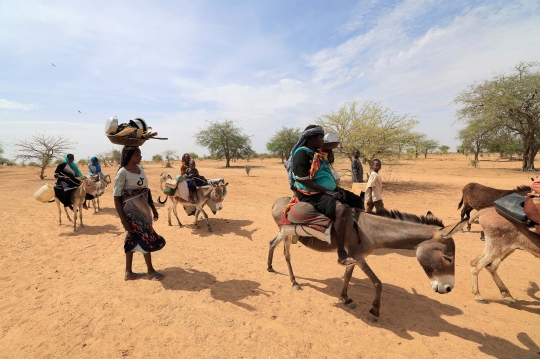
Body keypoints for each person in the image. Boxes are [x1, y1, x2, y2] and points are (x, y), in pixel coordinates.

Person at [289, 125, 362, 267]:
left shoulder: (317, 153)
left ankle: (354, 236)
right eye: (321, 138)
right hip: (310, 194)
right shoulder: (301, 154)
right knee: (340, 210)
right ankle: (341, 253)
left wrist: (335, 188)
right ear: (311, 138)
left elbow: (324, 172)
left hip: (326, 190)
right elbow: (301, 179)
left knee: (357, 200)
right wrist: (326, 191)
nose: (323, 140)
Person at [113, 146, 166, 281]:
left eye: (140, 153)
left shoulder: (140, 169)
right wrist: (123, 220)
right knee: (145, 234)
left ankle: (128, 272)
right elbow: (117, 197)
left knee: (132, 237)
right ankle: (150, 270)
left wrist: (153, 208)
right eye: (137, 154)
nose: (140, 156)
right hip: (131, 211)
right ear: (129, 155)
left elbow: (145, 190)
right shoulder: (122, 173)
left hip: (144, 208)